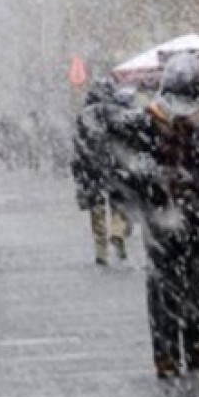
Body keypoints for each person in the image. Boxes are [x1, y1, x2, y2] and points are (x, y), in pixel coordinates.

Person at [115, 54, 199, 378]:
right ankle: (193, 344)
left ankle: (165, 354)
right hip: (194, 217)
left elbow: (131, 166)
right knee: (192, 281)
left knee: (161, 282)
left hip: (160, 219)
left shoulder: (147, 120)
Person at [71, 80, 132, 265]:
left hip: (91, 167)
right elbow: (126, 139)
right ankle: (117, 231)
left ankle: (101, 250)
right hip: (115, 165)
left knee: (96, 208)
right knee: (119, 203)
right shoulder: (117, 112)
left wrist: (81, 166)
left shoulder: (84, 116)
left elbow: (78, 144)